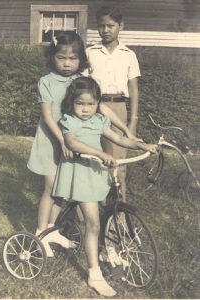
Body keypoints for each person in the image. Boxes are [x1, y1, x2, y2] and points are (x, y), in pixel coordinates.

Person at [27, 32, 139, 257]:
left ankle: (52, 228)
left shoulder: (79, 81)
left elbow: (102, 108)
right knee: (50, 188)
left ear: (81, 59)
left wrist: (125, 128)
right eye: (61, 58)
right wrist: (62, 141)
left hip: (73, 141)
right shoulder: (46, 81)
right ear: (52, 57)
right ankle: (41, 233)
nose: (67, 64)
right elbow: (48, 117)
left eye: (73, 59)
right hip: (52, 141)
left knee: (61, 191)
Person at [52, 76, 157, 297]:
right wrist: (100, 153)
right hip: (80, 175)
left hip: (97, 173)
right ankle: (94, 274)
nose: (85, 109)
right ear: (72, 103)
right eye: (80, 103)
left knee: (105, 213)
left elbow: (119, 139)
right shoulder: (69, 120)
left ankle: (103, 252)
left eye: (90, 104)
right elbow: (72, 142)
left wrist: (141, 144)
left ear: (97, 103)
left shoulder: (99, 120)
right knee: (93, 224)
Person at [86, 5, 141, 201]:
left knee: (118, 165)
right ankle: (86, 214)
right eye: (101, 26)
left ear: (120, 26)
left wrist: (132, 122)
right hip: (92, 109)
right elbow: (82, 86)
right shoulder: (90, 53)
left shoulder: (128, 54)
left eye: (111, 25)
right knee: (92, 161)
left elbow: (133, 89)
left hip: (118, 108)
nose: (106, 30)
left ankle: (119, 218)